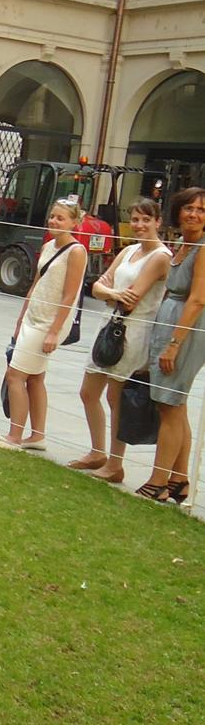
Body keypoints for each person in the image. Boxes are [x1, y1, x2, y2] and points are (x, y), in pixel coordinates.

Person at [68, 197, 171, 480]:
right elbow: (99, 286)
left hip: (135, 331)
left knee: (116, 397)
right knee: (88, 391)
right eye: (135, 219)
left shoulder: (160, 256)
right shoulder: (128, 252)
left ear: (158, 222)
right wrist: (111, 294)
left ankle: (115, 463)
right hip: (109, 326)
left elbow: (133, 298)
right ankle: (97, 451)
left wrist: (109, 294)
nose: (139, 225)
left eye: (146, 220)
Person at [0, 196, 88, 449]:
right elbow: (36, 284)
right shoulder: (48, 246)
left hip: (50, 321)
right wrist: (21, 318)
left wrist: (54, 331)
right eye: (53, 216)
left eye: (61, 218)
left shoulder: (76, 252)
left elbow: (70, 294)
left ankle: (15, 435)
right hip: (34, 316)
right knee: (35, 378)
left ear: (74, 222)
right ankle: (37, 435)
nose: (55, 221)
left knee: (15, 374)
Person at [138, 186, 205, 503]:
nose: (195, 214)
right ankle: (178, 480)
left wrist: (174, 344)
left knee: (169, 404)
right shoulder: (182, 244)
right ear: (178, 211)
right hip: (170, 324)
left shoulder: (203, 248)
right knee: (174, 405)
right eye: (190, 208)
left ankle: (158, 480)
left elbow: (197, 299)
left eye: (201, 210)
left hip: (186, 330)